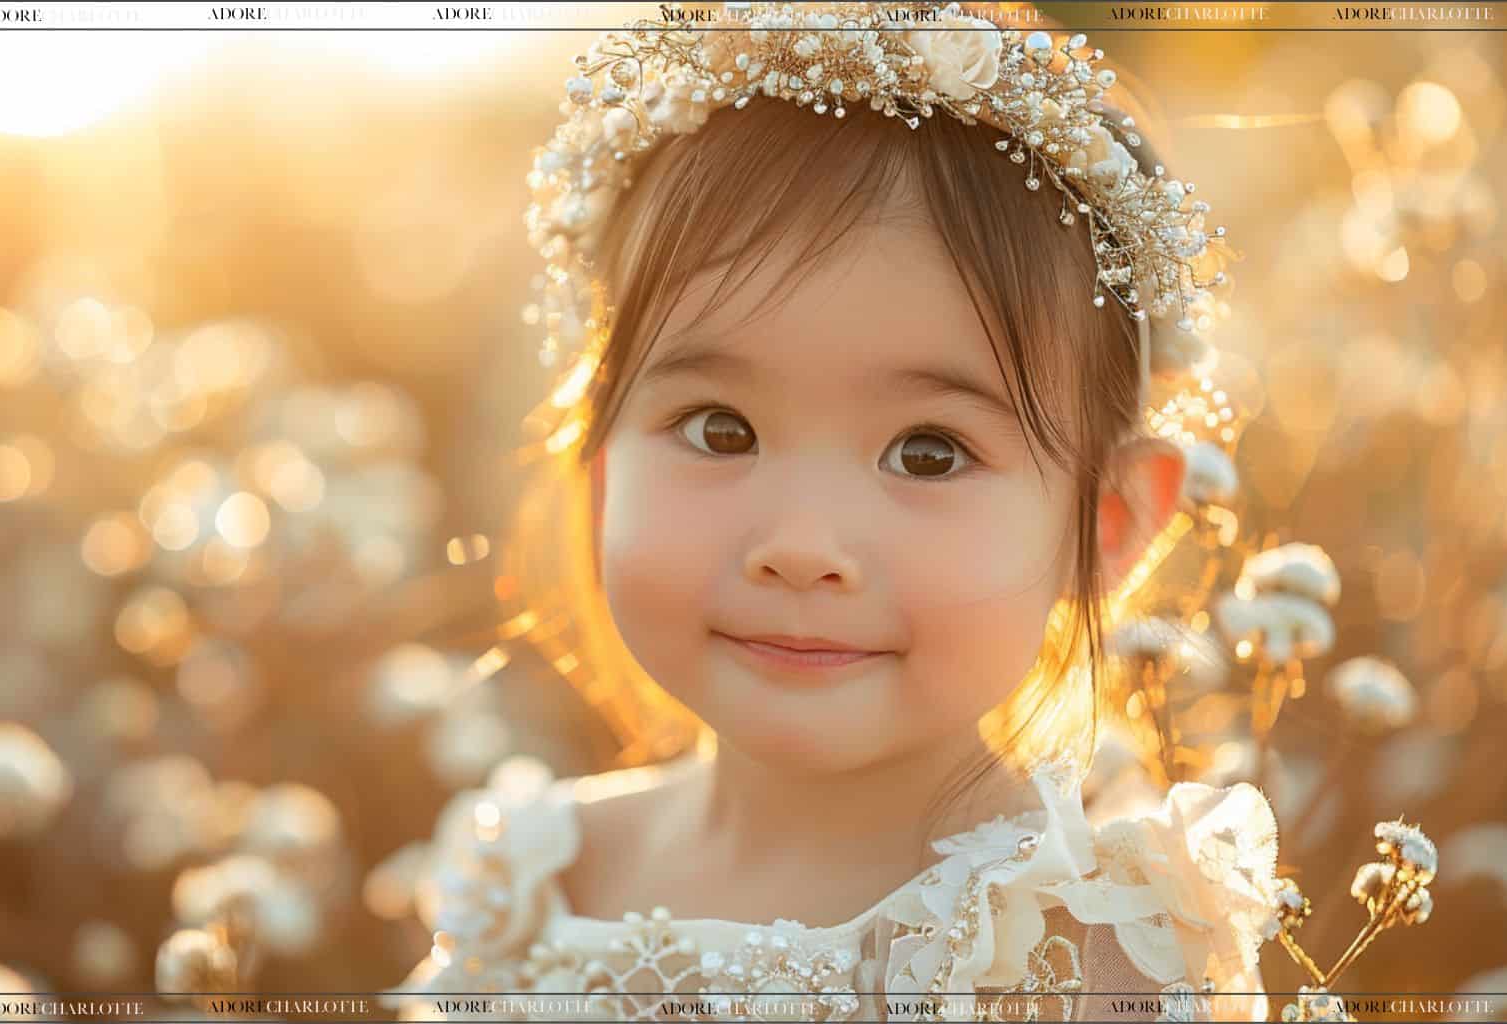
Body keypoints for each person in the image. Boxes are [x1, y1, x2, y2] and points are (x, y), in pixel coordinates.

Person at [382, 4, 1282, 1020]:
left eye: (928, 453)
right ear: (594, 458)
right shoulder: (529, 879)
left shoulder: (1089, 944)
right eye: (719, 429)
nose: (801, 548)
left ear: (1108, 520)